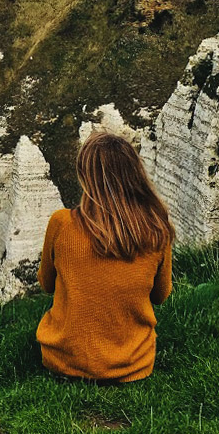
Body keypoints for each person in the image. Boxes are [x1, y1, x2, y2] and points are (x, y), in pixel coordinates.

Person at [36, 132, 175, 382]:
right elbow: (161, 295)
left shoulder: (61, 223)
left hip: (64, 361)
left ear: (86, 178)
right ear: (135, 174)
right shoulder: (157, 228)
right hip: (133, 365)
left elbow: (46, 284)